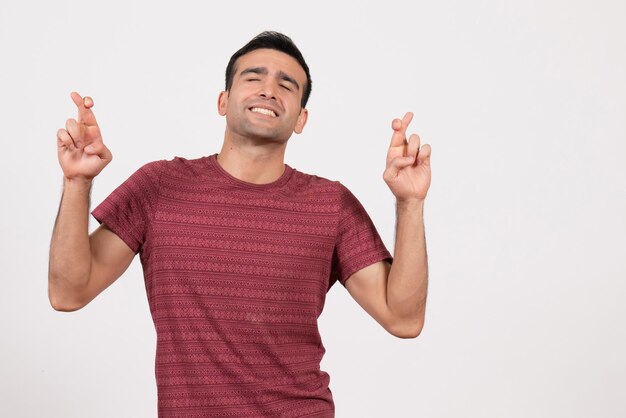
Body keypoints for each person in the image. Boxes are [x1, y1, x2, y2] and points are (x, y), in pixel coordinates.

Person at [48, 31, 431, 418]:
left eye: (286, 85)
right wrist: (77, 183)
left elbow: (403, 317)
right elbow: (69, 292)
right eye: (253, 77)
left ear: (301, 119)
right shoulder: (159, 187)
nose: (268, 90)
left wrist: (410, 202)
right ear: (223, 101)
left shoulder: (330, 204)